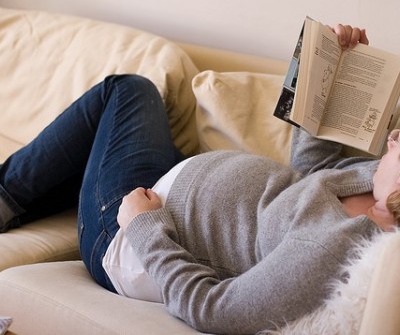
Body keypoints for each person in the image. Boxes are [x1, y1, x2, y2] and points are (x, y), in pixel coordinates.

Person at [0, 24, 399, 334]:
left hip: (125, 238)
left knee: (125, 91)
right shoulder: (371, 182)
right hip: (166, 188)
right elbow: (314, 171)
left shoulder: (334, 249)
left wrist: (144, 226)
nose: (393, 137)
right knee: (102, 138)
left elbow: (214, 309)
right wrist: (332, 72)